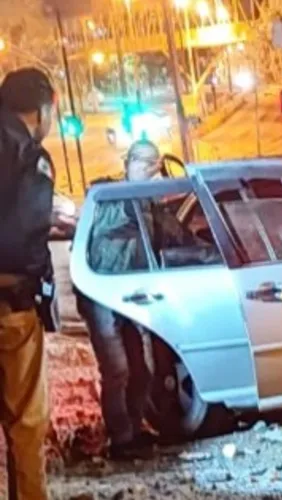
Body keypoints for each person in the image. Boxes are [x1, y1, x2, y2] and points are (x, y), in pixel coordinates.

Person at [74, 140, 174, 461]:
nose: (147, 169)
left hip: (129, 294)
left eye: (152, 164)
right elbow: (110, 226)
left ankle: (134, 429)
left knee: (141, 370)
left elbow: (167, 237)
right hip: (100, 290)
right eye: (142, 163)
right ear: (128, 162)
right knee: (116, 369)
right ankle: (120, 438)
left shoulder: (149, 203)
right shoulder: (109, 196)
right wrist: (143, 199)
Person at [0, 67, 62, 500]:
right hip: (10, 308)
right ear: (41, 110)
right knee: (26, 420)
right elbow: (22, 240)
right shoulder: (29, 157)